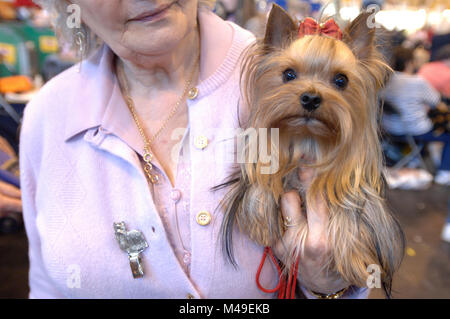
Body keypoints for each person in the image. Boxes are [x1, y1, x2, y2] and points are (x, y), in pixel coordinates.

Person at [20, 0, 367, 298]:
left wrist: (329, 287)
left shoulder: (277, 74)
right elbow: (47, 286)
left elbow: (352, 264)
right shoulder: (48, 115)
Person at [381, 46, 450, 186]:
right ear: (409, 63)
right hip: (414, 130)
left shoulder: (385, 80)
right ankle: (445, 172)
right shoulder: (417, 82)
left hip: (388, 129)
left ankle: (414, 159)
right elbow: (436, 101)